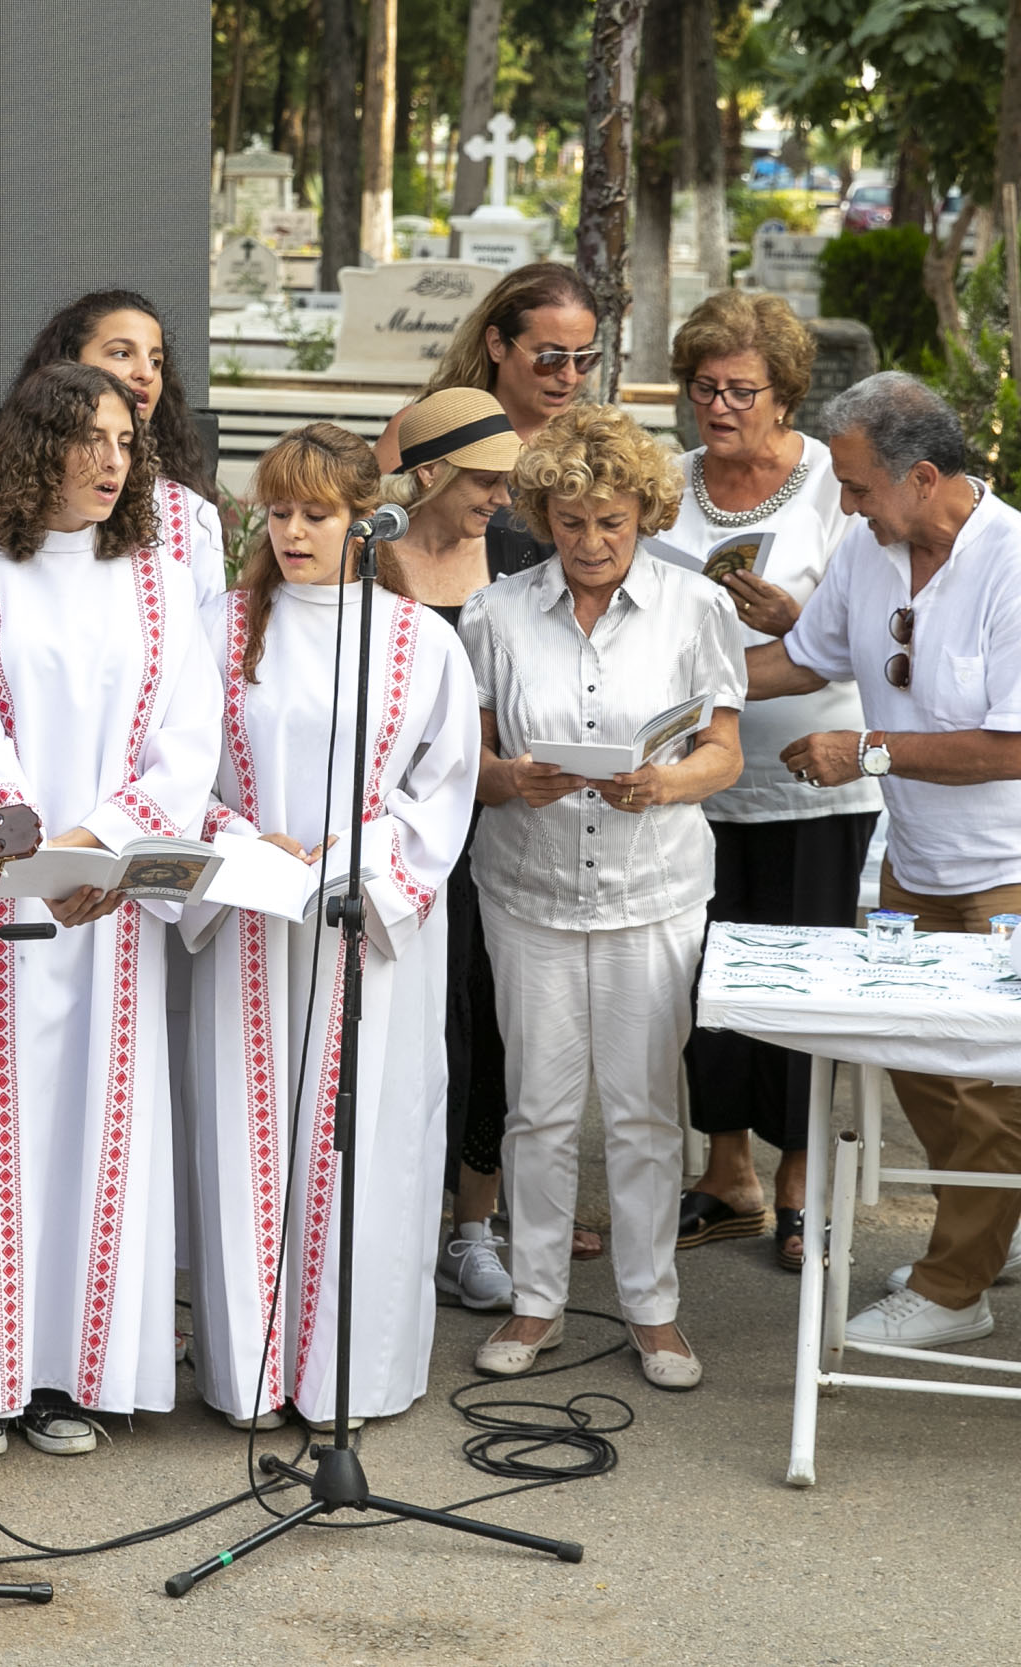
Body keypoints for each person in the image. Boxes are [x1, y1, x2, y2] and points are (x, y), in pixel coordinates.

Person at [744, 371, 1021, 1349]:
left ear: (923, 476)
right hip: (919, 855)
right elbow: (804, 657)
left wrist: (865, 751)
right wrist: (682, 683)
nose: (846, 504)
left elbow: (1019, 749)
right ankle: (985, 1230)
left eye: (857, 487)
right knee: (914, 1053)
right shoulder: (870, 549)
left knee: (996, 1078)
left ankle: (954, 1286)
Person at [0, 361, 221, 1456]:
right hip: (1, 901)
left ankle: (71, 1378)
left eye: (127, 443)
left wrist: (104, 845)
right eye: (90, 439)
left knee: (102, 1131)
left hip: (111, 908)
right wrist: (41, 849)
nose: (112, 461)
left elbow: (187, 741)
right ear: (38, 445)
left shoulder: (161, 583)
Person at [181, 424, 481, 1430]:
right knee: (252, 1143)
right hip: (251, 923)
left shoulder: (417, 640)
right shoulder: (222, 627)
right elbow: (174, 771)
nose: (293, 531)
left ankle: (348, 1374)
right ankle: (252, 1376)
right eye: (278, 511)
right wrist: (239, 835)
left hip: (367, 929)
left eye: (316, 513)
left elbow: (443, 789)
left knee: (364, 1140)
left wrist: (352, 855)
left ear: (365, 520)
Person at [458, 404, 747, 1392]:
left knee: (643, 1110)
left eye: (612, 523)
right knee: (537, 1106)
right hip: (527, 886)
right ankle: (536, 1299)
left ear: (645, 515)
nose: (590, 542)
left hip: (653, 888)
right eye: (571, 521)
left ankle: (652, 1308)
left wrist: (663, 782)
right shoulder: (495, 613)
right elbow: (470, 761)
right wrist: (510, 778)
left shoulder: (695, 606)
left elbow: (722, 751)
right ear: (543, 514)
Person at [660, 292, 880, 1272]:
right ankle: (727, 1173)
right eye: (703, 387)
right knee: (702, 976)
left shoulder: (837, 487)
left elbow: (875, 636)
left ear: (784, 394)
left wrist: (796, 622)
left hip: (811, 777)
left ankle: (798, 1180)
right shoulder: (669, 483)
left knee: (800, 981)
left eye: (740, 390)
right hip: (694, 777)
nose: (718, 406)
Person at [380, 386, 581, 1307]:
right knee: (415, 1023)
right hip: (395, 826)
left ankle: (472, 1226)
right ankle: (392, 1220)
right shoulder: (368, 556)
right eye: (484, 482)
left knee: (486, 1018)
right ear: (428, 473)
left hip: (498, 826)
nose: (502, 500)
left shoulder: (515, 553)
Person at [0, 288, 226, 604]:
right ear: (68, 364)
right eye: (122, 353)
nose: (146, 373)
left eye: (156, 361)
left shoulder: (191, 515)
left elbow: (204, 629)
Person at [374, 261, 600, 577]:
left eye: (585, 358)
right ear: (496, 344)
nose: (570, 376)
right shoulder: (424, 429)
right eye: (550, 358)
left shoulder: (595, 446)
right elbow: (367, 537)